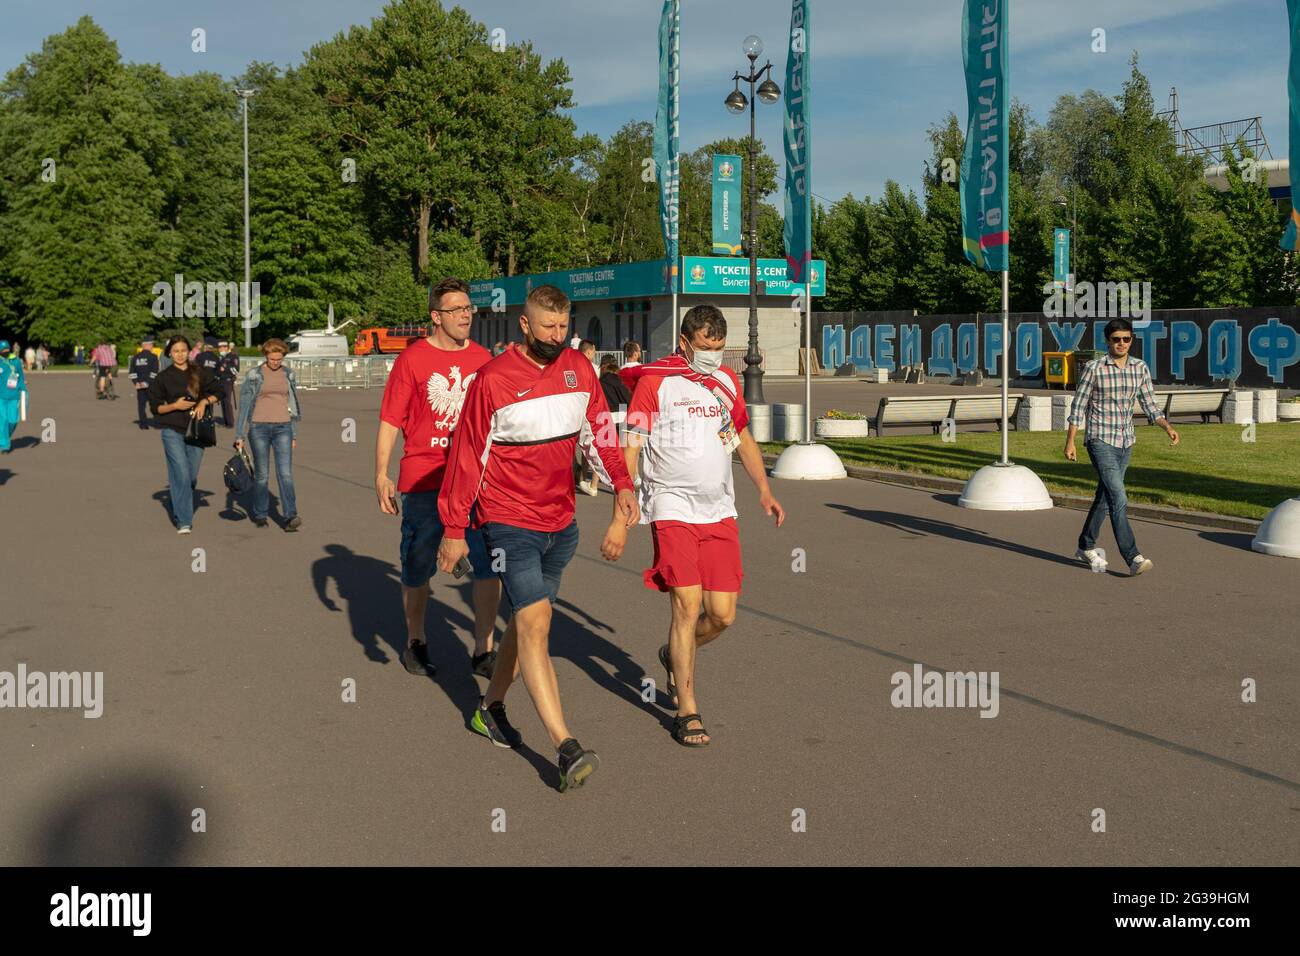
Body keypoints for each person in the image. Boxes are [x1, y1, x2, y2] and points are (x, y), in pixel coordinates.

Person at [437, 284, 638, 792]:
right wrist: (455, 530)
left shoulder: (580, 369)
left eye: (563, 326)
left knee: (530, 627)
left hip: (560, 528)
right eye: (546, 327)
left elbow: (599, 434)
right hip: (508, 524)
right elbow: (466, 460)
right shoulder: (493, 381)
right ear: (523, 325)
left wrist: (622, 485)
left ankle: (489, 708)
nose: (556, 335)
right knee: (537, 622)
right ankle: (564, 745)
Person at [607, 304, 785, 747]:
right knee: (686, 606)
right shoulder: (654, 383)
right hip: (671, 507)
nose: (714, 357)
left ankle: (673, 655)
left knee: (723, 615)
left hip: (719, 510)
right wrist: (621, 511)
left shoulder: (724, 382)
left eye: (721, 349)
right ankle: (687, 710)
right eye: (706, 348)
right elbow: (632, 444)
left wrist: (763, 488)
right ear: (684, 342)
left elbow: (740, 437)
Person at [376, 277, 502, 678]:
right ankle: (416, 639)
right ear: (436, 316)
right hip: (424, 480)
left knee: (486, 565)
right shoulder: (412, 360)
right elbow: (390, 420)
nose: (465, 316)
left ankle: (484, 649)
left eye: (468, 308)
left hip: (477, 481)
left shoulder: (484, 358)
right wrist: (381, 472)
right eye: (456, 310)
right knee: (416, 565)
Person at [1065, 317, 1179, 575]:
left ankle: (1085, 546)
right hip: (1100, 439)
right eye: (1116, 339)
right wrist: (1070, 441)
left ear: (1131, 340)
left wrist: (1167, 427)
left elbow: (1150, 404)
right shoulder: (1094, 368)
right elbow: (1079, 406)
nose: (1121, 344)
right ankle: (1133, 557)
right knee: (1119, 496)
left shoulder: (1140, 368)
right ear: (1107, 341)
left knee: (1105, 497)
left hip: (1126, 440)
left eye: (1126, 339)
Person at [148, 335, 222, 533]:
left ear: (189, 352)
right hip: (172, 430)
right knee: (181, 473)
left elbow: (220, 391)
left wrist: (204, 402)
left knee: (189, 477)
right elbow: (155, 408)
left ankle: (178, 500)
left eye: (183, 350)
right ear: (169, 354)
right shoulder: (162, 378)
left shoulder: (200, 372)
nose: (180, 354)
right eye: (175, 351)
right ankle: (184, 521)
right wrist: (175, 405)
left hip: (197, 430)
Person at [234, 339, 303, 530]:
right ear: (265, 356)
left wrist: (294, 434)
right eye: (272, 359)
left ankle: (290, 516)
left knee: (286, 473)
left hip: (284, 427)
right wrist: (239, 435)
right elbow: (245, 405)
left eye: (279, 359)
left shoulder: (288, 374)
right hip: (259, 427)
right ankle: (261, 513)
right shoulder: (254, 375)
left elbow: (292, 404)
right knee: (262, 474)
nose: (275, 362)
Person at [0, 340, 28, 453]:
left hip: (14, 396)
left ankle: (5, 437)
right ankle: (4, 445)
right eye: (3, 351)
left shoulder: (16, 361)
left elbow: (20, 376)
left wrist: (24, 389)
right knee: (3, 420)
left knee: (12, 421)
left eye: (6, 350)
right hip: (1, 397)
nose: (5, 352)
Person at [128, 338, 160, 430]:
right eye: (152, 345)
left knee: (141, 406)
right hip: (151, 385)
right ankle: (156, 424)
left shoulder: (135, 357)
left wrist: (136, 383)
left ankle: (143, 424)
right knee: (154, 404)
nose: (152, 347)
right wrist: (148, 382)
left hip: (139, 386)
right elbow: (155, 372)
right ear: (147, 345)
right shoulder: (153, 357)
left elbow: (132, 372)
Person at [216, 341, 240, 427]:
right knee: (222, 401)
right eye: (219, 348)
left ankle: (230, 422)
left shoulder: (233, 356)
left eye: (222, 348)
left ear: (226, 347)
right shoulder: (221, 357)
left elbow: (236, 370)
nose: (220, 350)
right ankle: (225, 421)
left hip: (228, 381)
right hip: (220, 381)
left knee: (227, 401)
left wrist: (225, 368)